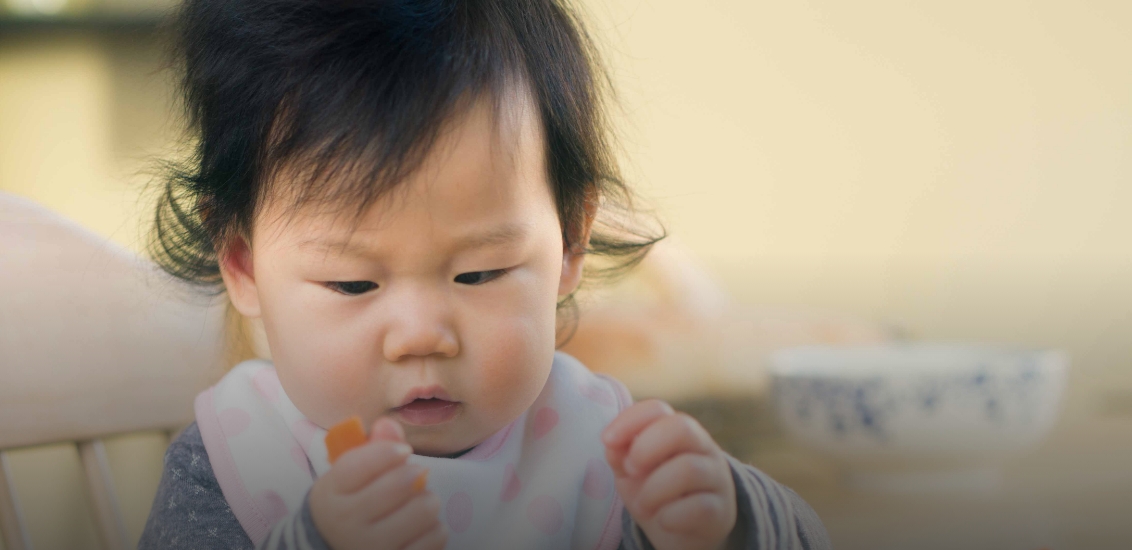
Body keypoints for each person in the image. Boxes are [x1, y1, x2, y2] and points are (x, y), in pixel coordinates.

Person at [139, 0, 831, 549]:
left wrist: (730, 520)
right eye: (353, 284)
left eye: (480, 273)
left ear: (570, 243)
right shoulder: (238, 460)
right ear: (243, 264)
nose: (420, 337)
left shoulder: (599, 452)